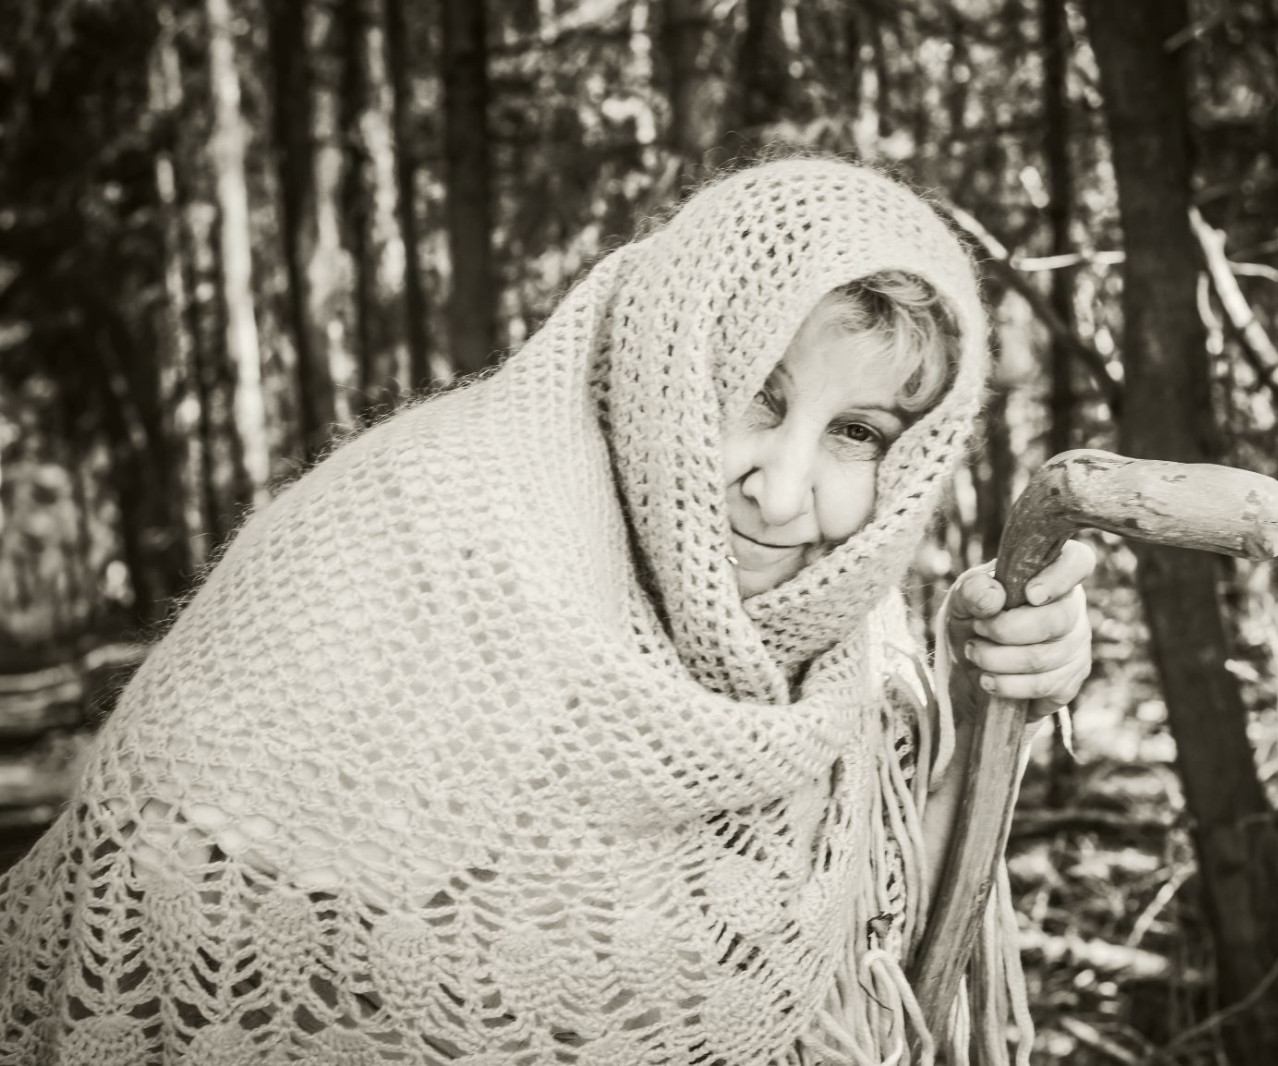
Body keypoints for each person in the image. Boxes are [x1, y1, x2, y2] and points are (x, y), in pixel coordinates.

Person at [0, 158, 1092, 1065]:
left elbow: (874, 960)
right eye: (755, 392)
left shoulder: (846, 639)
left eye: (856, 433)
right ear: (672, 357)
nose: (782, 490)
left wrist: (978, 700)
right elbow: (177, 856)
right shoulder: (423, 529)